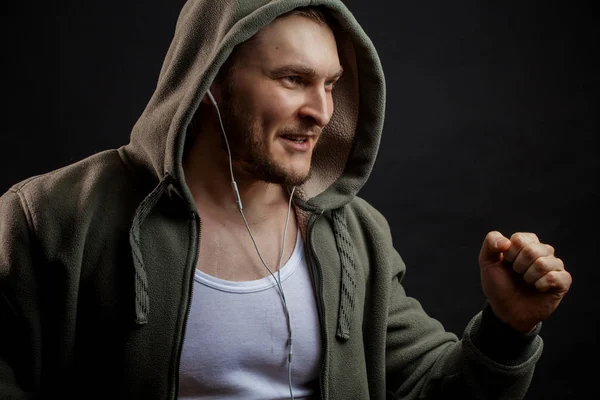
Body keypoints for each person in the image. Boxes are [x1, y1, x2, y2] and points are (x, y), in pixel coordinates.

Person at [0, 1, 572, 399]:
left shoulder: (355, 235)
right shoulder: (51, 220)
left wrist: (507, 328)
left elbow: (432, 388)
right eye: (293, 79)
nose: (322, 111)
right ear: (211, 82)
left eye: (329, 84)